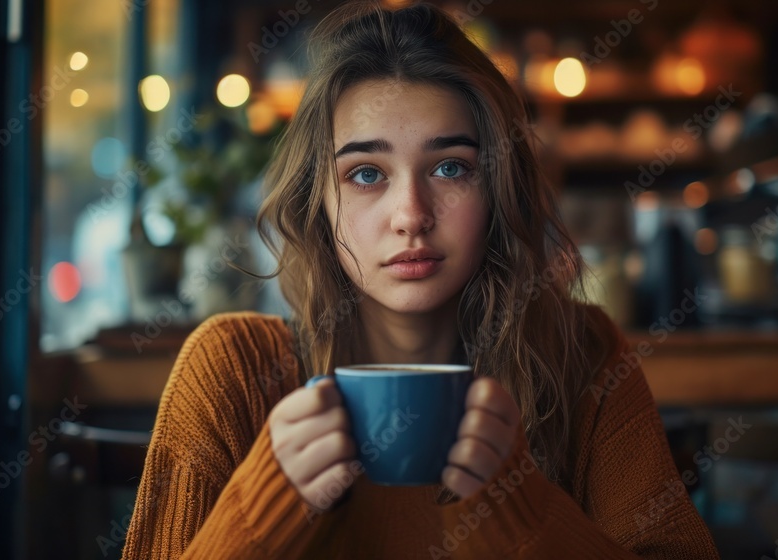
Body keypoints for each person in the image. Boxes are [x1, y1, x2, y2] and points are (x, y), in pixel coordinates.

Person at [121, 2, 720, 558]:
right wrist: (263, 506)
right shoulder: (233, 373)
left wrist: (525, 513)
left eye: (451, 167)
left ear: (498, 187)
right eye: (364, 175)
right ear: (316, 203)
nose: (411, 214)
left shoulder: (584, 357)